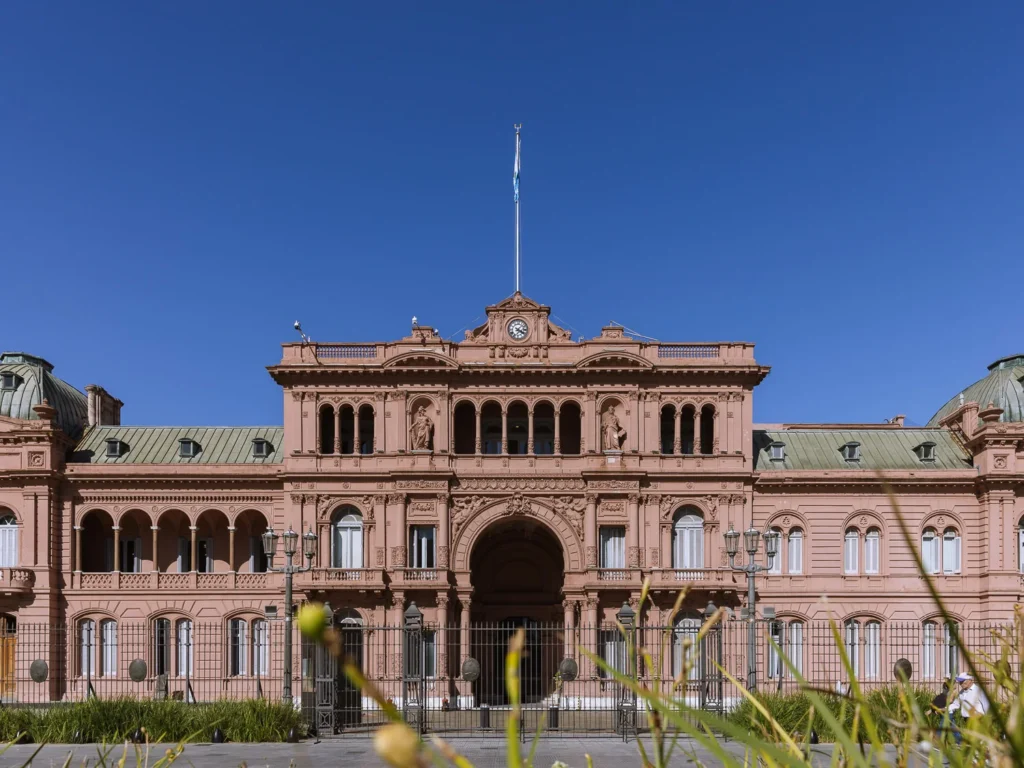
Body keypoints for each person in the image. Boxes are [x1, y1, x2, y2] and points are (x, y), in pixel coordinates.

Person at [946, 672, 989, 745]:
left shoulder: (978, 690)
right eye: (960, 682)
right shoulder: (962, 692)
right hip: (967, 719)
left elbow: (986, 704)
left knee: (977, 738)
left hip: (977, 718)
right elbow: (956, 704)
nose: (960, 683)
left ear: (970, 680)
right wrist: (945, 709)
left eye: (963, 681)